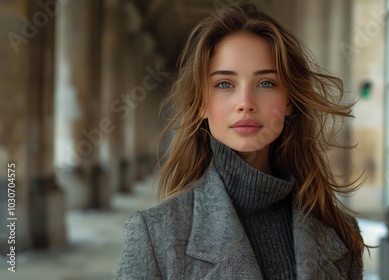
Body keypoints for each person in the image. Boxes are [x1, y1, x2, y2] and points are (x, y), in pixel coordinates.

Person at [117, 2, 364, 279]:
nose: (245, 103)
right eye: (225, 84)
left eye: (266, 83)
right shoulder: (154, 233)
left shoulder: (342, 234)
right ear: (201, 104)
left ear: (290, 102)